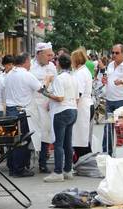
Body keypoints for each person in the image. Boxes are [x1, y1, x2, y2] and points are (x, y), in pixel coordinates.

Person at [5, 53, 42, 177]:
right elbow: (41, 89)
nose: (30, 64)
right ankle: (19, 168)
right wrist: (48, 81)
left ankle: (12, 166)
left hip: (10, 110)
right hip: (21, 111)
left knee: (12, 140)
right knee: (22, 140)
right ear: (25, 61)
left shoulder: (9, 74)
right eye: (29, 62)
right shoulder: (27, 75)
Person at [43, 54, 78, 182]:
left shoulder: (59, 78)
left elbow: (59, 97)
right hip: (73, 109)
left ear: (59, 64)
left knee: (58, 143)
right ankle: (68, 170)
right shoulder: (73, 78)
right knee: (67, 143)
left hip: (61, 111)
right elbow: (76, 96)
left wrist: (46, 94)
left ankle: (58, 172)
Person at [102, 44, 123, 155]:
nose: (114, 55)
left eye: (117, 53)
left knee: (121, 127)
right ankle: (107, 152)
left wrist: (121, 81)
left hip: (121, 100)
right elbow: (108, 77)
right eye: (113, 52)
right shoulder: (111, 64)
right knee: (108, 127)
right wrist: (104, 80)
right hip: (109, 99)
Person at [29, 42, 57, 173]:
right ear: (39, 54)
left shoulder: (52, 66)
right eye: (48, 54)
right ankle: (29, 161)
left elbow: (56, 84)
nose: (50, 57)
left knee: (46, 133)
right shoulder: (30, 66)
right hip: (33, 104)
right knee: (33, 133)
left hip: (47, 104)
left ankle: (43, 162)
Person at [71, 48, 94, 162]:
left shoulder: (80, 73)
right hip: (85, 104)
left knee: (80, 136)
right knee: (82, 135)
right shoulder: (83, 71)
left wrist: (72, 109)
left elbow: (78, 93)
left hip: (82, 106)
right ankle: (83, 159)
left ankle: (83, 160)